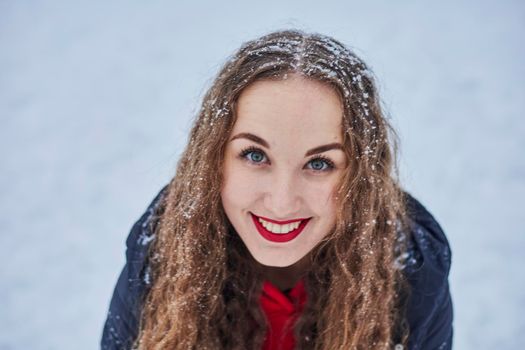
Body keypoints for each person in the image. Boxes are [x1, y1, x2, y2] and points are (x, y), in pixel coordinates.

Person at [101, 30, 453, 350]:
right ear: (212, 159)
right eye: (255, 155)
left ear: (361, 175)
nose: (281, 202)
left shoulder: (411, 273)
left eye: (319, 163)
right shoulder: (161, 249)